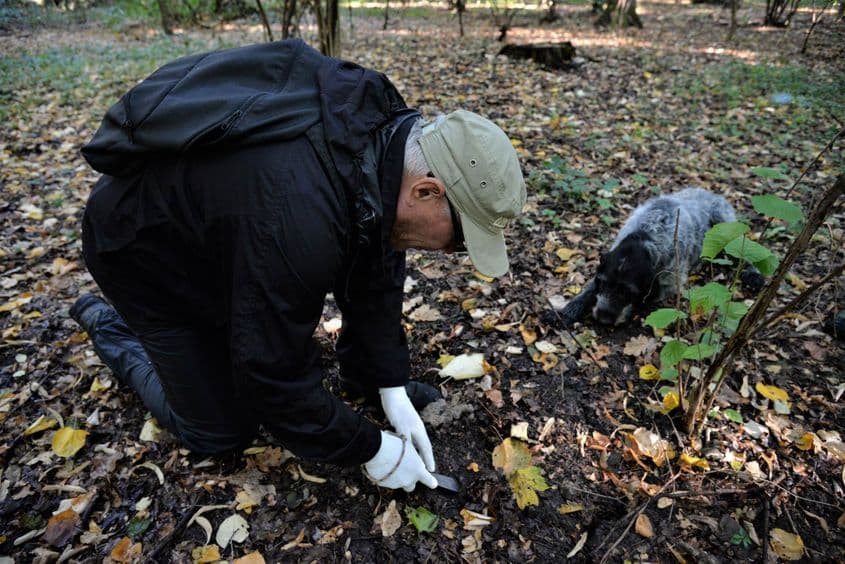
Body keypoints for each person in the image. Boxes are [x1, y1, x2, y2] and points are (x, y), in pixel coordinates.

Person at [71, 39, 526, 492]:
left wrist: (387, 383)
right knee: (221, 430)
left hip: (227, 234)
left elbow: (377, 267)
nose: (453, 251)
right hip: (142, 249)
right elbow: (268, 373)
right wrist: (371, 448)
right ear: (426, 192)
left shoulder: (385, 137)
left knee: (257, 323)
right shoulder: (294, 213)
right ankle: (108, 324)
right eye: (461, 237)